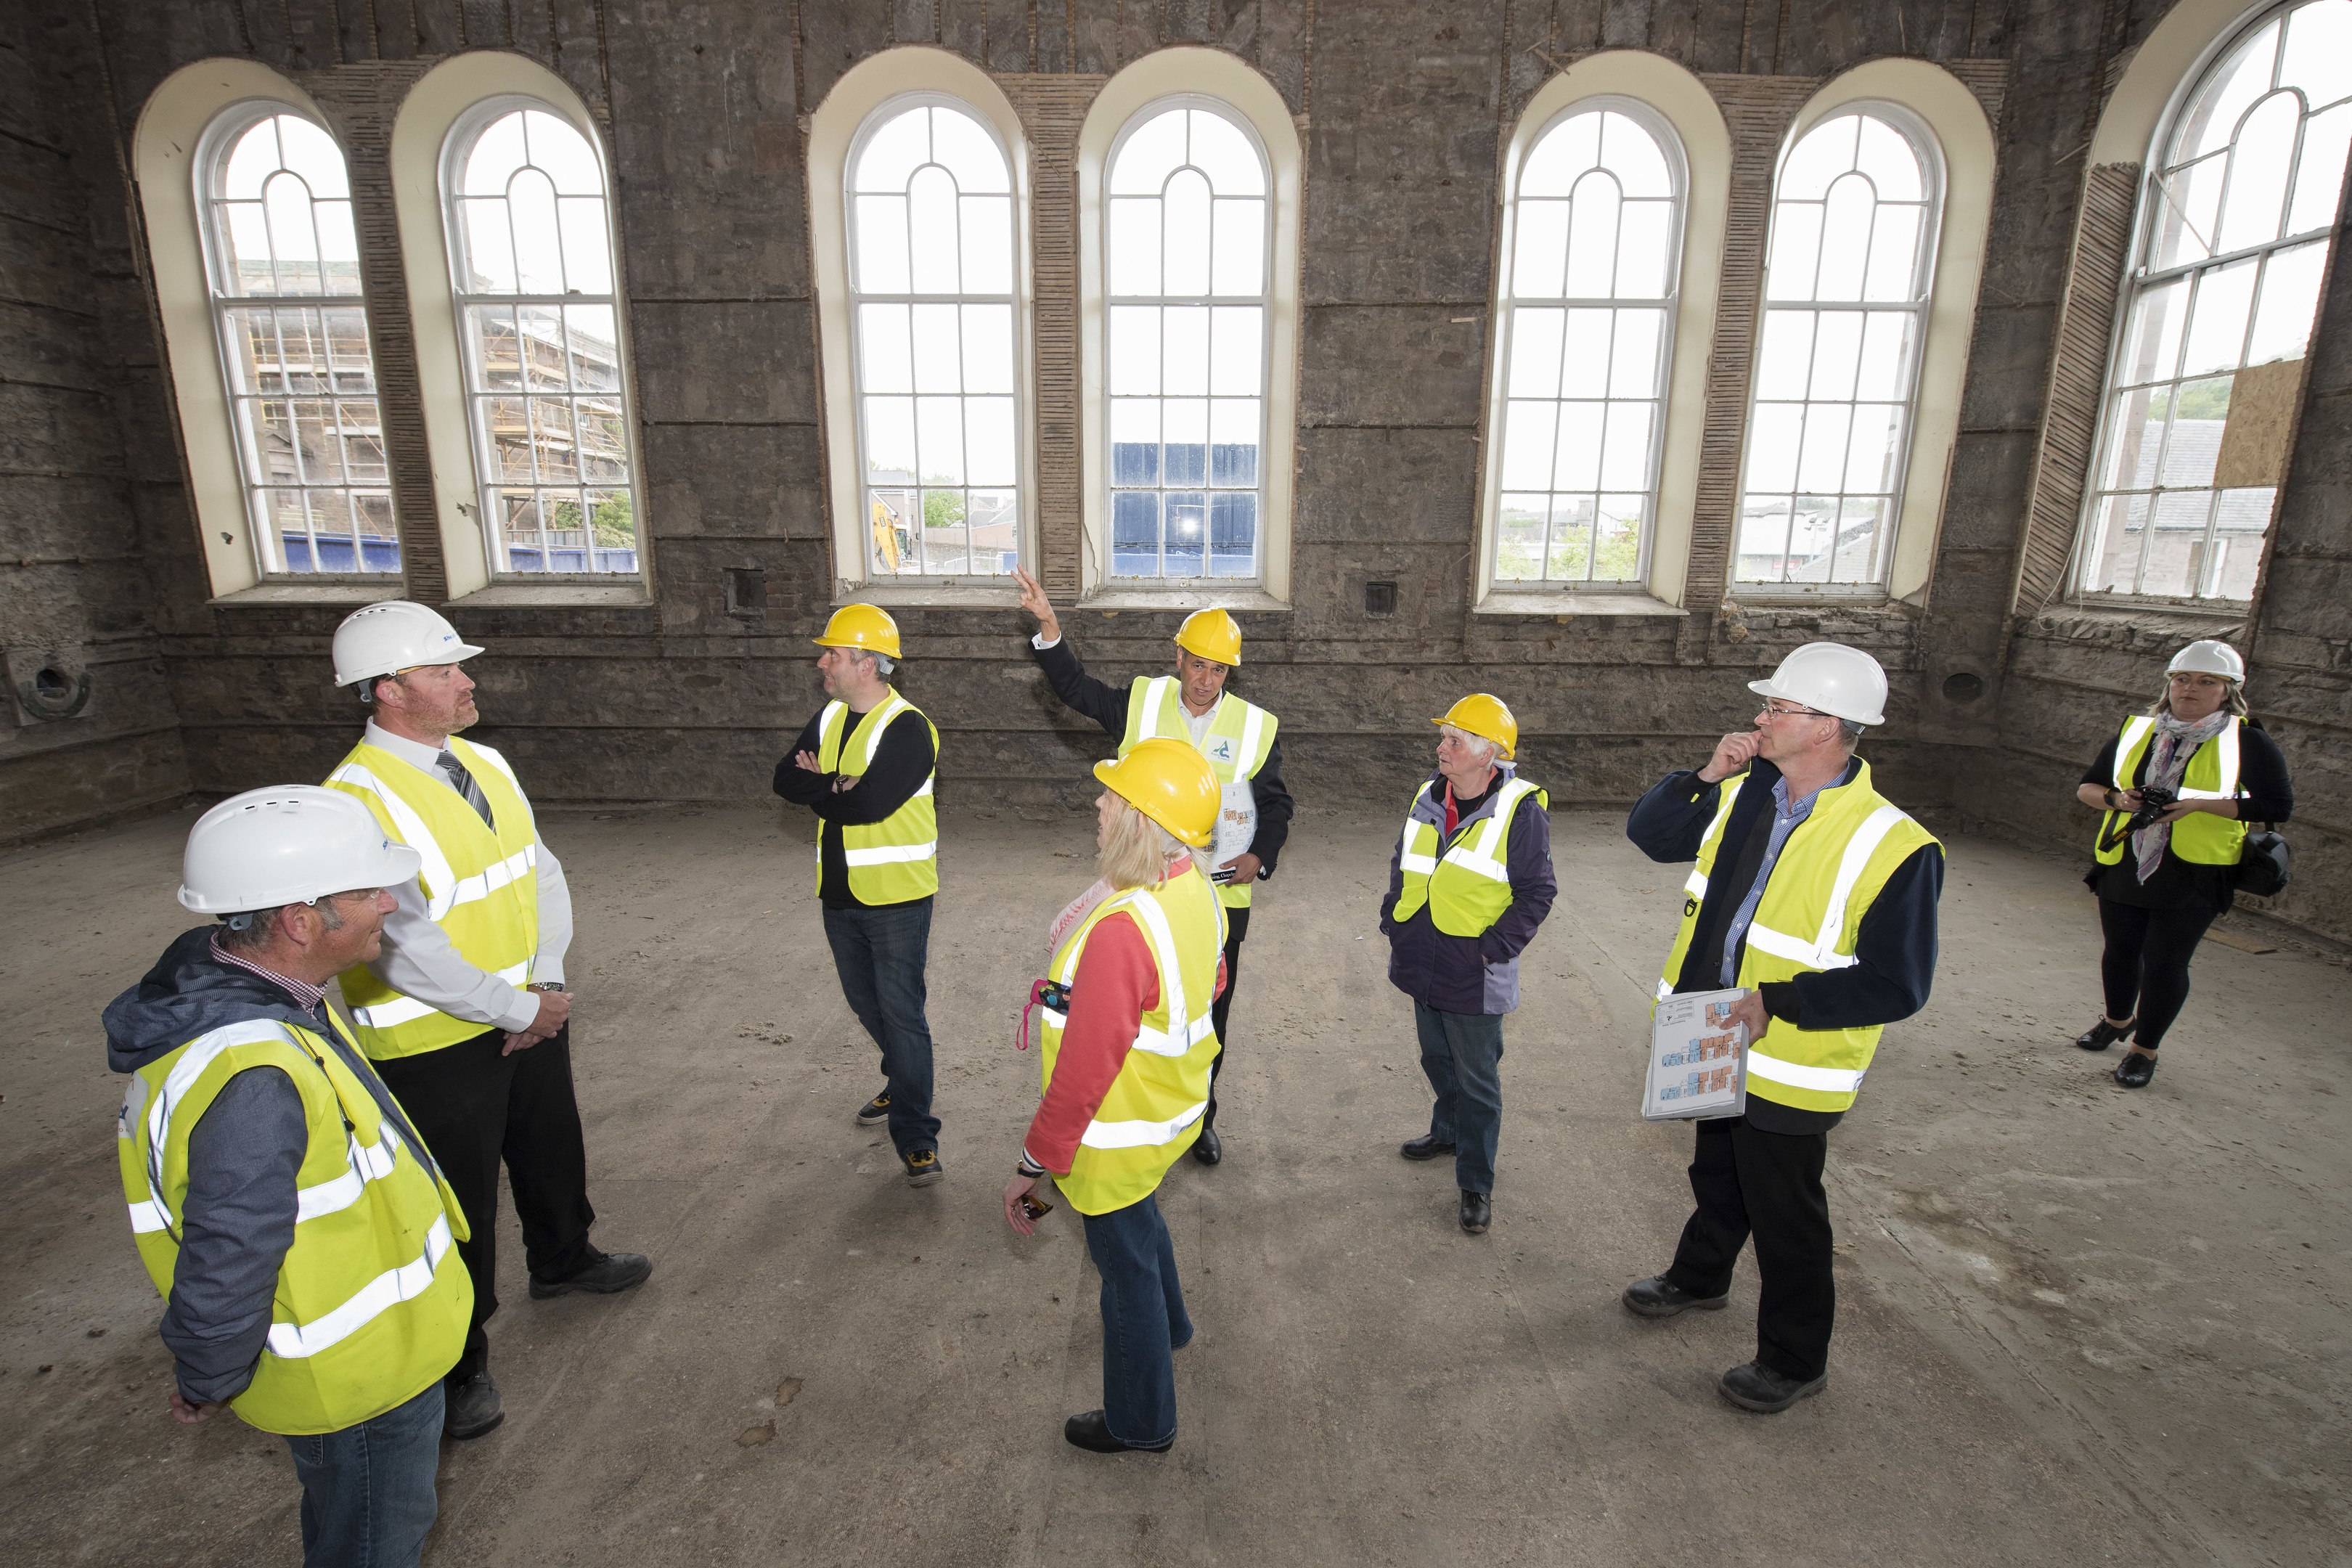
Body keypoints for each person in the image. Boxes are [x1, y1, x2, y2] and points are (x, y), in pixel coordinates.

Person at [106, 786, 473, 1567]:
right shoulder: (254, 1075)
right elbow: (228, 1246)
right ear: (301, 921)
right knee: (374, 1544)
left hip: (372, 1360)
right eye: (369, 891)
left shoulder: (266, 1001)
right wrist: (206, 1370)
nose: (387, 903)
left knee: (351, 1527)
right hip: (357, 1380)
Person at [323, 601, 650, 1441]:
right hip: (432, 1042)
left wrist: (542, 986)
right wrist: (515, 1009)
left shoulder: (484, 764)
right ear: (388, 690)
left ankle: (565, 1258)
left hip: (528, 1007)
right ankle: (458, 1364)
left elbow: (540, 872)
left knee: (550, 1147)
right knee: (452, 1206)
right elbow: (397, 945)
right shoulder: (354, 804)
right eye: (443, 671)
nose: (467, 681)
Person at [1622, 642, 1943, 1413]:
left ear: (1828, 727)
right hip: (1711, 1026)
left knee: (1785, 1212)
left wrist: (1777, 1002)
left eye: (1778, 708)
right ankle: (1699, 1278)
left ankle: (1795, 1360)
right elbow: (1653, 838)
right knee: (1717, 1172)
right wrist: (1705, 776)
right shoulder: (1746, 794)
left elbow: (1900, 983)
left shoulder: (1893, 843)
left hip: (1791, 1057)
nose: (1761, 717)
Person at [1011, 566, 1294, 1167]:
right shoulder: (1143, 701)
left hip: (1216, 900)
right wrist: (1049, 628)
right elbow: (1076, 691)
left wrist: (1259, 858)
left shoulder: (1255, 727)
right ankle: (1127, 1104)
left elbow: (1275, 804)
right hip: (1140, 883)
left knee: (1206, 1013)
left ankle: (1199, 1118)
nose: (1205, 680)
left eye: (1219, 670)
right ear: (1179, 658)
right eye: (1197, 665)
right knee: (1126, 1006)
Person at [1003, 738, 1228, 1453]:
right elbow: (1211, 986)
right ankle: (1176, 1324)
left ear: (1141, 821)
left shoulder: (1124, 932)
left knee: (1120, 1268)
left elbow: (1081, 1075)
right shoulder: (1194, 888)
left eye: (1113, 797)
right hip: (1170, 1111)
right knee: (1141, 1223)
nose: (1098, 804)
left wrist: (1033, 1165)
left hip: (1116, 1130)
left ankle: (1142, 1421)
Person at [772, 603, 947, 1186]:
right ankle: (902, 1078)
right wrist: (837, 784)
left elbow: (872, 804)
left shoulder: (909, 728)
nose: (823, 663)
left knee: (901, 1013)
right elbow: (783, 780)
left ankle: (917, 1134)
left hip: (897, 897)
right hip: (840, 894)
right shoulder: (828, 718)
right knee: (864, 1003)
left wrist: (822, 786)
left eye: (834, 655)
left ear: (867, 664)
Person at [2071, 639, 2292, 1087]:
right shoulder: (2138, 731)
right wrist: (2119, 799)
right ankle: (2117, 1021)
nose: (2189, 689)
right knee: (2120, 951)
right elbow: (2088, 788)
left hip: (2196, 869)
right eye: (2181, 679)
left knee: (2166, 961)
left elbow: (2278, 805)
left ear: (2228, 690)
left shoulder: (2246, 740)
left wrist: (2197, 805)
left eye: (2206, 681)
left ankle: (2144, 1050)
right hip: (2127, 857)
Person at [1378, 694, 1556, 1236]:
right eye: (1444, 737)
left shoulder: (1519, 813)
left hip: (1473, 971)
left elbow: (1537, 893)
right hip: (1421, 956)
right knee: (1436, 1057)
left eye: (1455, 740)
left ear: (1490, 755)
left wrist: (1490, 948)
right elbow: (1403, 857)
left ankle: (1475, 1180)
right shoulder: (1428, 794)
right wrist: (1393, 917)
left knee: (1478, 1081)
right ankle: (1447, 1130)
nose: (1442, 748)